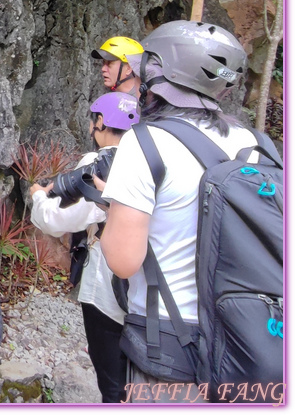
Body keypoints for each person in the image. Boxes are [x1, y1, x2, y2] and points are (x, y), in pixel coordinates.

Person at [99, 20, 255, 402]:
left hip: (170, 344)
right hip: (241, 335)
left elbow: (122, 261)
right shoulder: (249, 143)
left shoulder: (146, 142)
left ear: (160, 71)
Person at [28, 92, 139, 403]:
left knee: (113, 381)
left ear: (100, 122)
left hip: (108, 287)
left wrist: (38, 195)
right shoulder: (150, 161)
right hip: (148, 284)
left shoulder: (98, 163)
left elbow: (56, 219)